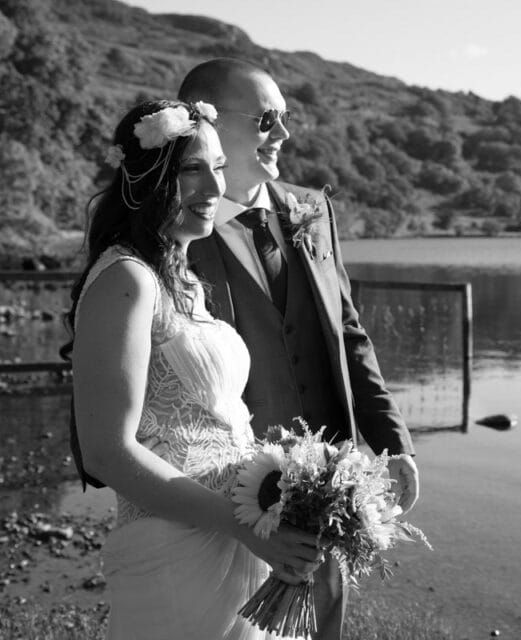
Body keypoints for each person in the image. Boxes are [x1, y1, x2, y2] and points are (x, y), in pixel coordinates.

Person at [62, 99, 324, 639]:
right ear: (146, 179)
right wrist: (242, 525)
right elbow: (108, 451)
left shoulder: (182, 278)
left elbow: (215, 420)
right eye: (191, 169)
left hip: (239, 533)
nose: (212, 187)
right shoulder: (126, 280)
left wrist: (286, 489)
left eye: (220, 168)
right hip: (177, 548)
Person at [178, 58, 420, 639]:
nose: (282, 135)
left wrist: (392, 442)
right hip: (224, 498)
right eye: (265, 119)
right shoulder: (170, 230)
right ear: (203, 123)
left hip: (332, 486)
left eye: (283, 119)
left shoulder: (313, 210)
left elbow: (349, 331)